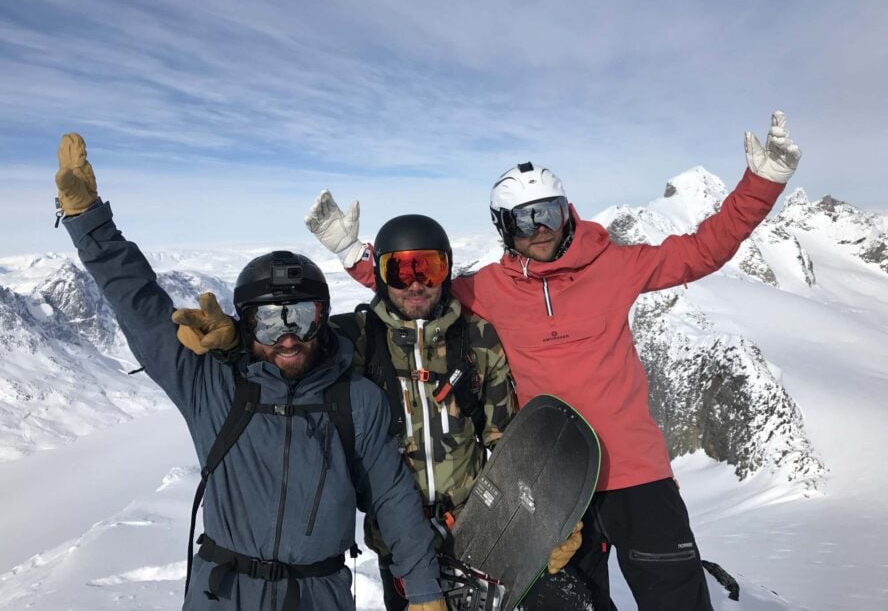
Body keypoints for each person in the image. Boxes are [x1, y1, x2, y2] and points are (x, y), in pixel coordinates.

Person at [302, 111, 803, 610]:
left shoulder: (615, 266)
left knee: (676, 599)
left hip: (635, 473)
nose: (539, 229)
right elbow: (418, 293)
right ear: (504, 227)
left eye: (549, 212)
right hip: (552, 482)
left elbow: (701, 252)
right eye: (524, 219)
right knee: (580, 602)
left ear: (568, 211)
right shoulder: (490, 290)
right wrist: (352, 253)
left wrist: (764, 182)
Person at [53, 133, 447, 611]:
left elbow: (390, 497)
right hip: (222, 594)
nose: (287, 336)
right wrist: (86, 220)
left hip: (318, 596)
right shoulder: (211, 385)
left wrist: (424, 591)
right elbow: (137, 302)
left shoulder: (354, 398)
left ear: (323, 319)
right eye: (269, 318)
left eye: (301, 317)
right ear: (244, 322)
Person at [176, 214, 586, 610]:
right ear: (382, 277)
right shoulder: (354, 338)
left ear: (447, 271)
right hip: (397, 543)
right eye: (400, 271)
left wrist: (541, 522)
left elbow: (508, 441)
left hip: (478, 529)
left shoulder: (476, 339)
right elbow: (289, 342)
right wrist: (233, 343)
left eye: (429, 268)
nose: (416, 284)